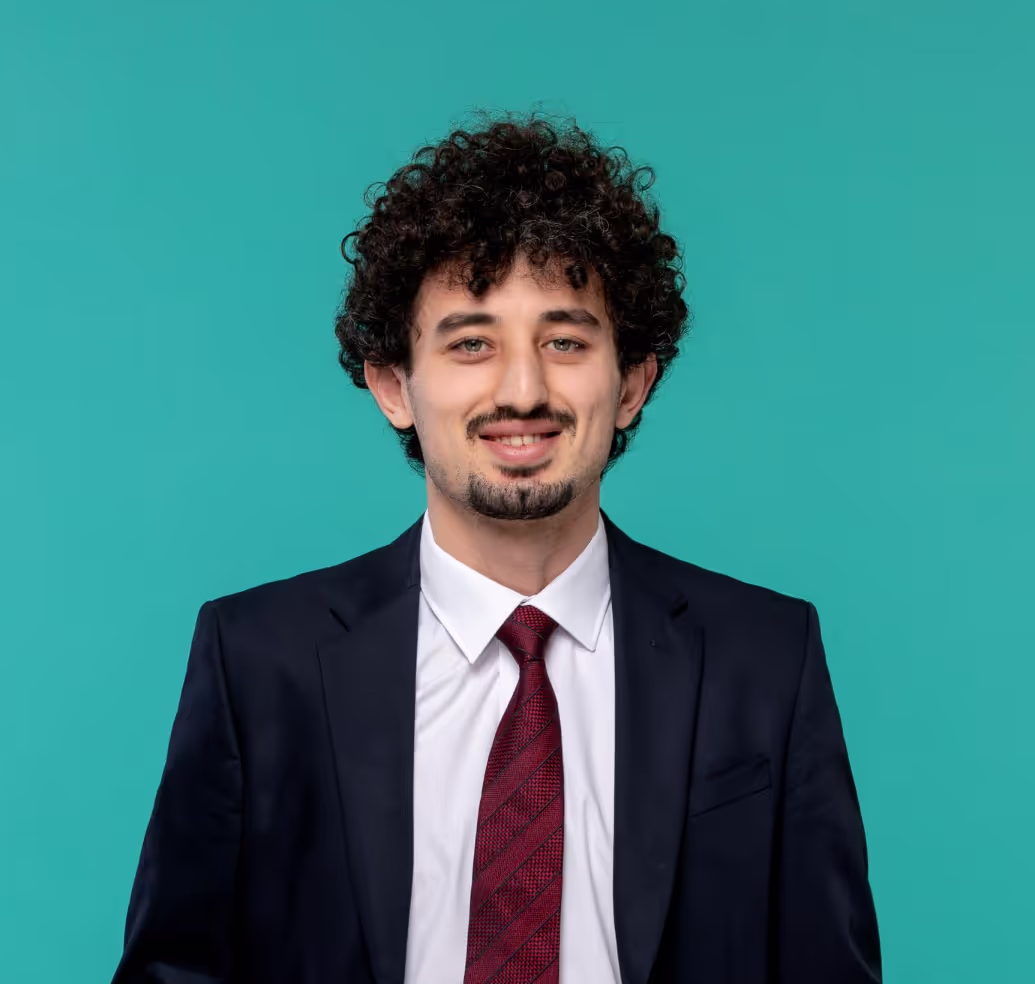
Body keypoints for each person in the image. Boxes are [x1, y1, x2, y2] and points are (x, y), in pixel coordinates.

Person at [111, 115, 881, 984]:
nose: (523, 390)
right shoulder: (257, 660)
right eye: (471, 343)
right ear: (393, 385)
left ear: (632, 383)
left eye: (565, 342)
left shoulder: (766, 658)